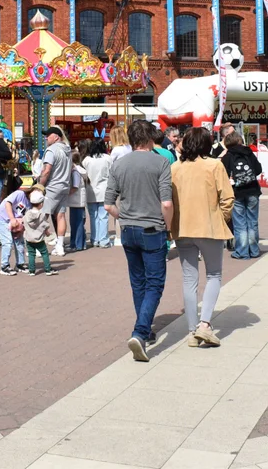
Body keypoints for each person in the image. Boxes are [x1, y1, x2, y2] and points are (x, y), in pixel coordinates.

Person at [106, 119, 174, 362]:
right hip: (152, 228)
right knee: (155, 283)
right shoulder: (161, 162)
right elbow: (166, 202)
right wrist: (168, 227)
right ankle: (140, 332)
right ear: (149, 139)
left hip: (128, 229)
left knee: (138, 282)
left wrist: (122, 216)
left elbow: (107, 203)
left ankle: (144, 328)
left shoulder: (119, 164)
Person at [170, 127, 234, 348]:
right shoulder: (214, 165)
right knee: (214, 274)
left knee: (189, 279)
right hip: (209, 226)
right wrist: (221, 217)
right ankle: (205, 324)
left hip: (183, 228)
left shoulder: (175, 168)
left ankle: (191, 329)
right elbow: (227, 198)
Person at [220, 131, 262, 259]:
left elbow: (223, 176)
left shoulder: (227, 157)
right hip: (253, 190)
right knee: (252, 221)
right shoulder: (249, 153)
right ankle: (254, 250)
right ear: (239, 140)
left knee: (240, 223)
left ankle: (242, 251)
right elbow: (258, 170)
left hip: (236, 192)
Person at [39, 126, 73, 257]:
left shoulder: (51, 150)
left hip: (52, 186)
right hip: (64, 185)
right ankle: (60, 246)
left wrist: (40, 186)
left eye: (48, 135)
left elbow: (47, 170)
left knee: (42, 216)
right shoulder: (67, 150)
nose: (46, 137)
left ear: (56, 137)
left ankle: (38, 247)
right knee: (61, 215)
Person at [0, 173, 30, 275]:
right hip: (2, 218)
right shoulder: (20, 194)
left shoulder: (32, 205)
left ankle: (20, 264)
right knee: (7, 242)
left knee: (19, 242)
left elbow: (26, 219)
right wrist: (12, 219)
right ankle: (4, 266)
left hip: (16, 223)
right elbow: (8, 203)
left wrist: (20, 230)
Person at [83, 139, 113, 249]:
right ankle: (104, 240)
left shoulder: (87, 160)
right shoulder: (107, 158)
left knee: (93, 216)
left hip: (90, 190)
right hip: (104, 189)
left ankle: (94, 239)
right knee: (103, 216)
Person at [23, 190, 57, 276]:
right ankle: (48, 269)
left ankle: (31, 271)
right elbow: (44, 225)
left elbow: (24, 223)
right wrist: (47, 233)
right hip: (39, 239)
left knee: (31, 254)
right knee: (44, 253)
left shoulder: (27, 214)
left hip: (29, 238)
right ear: (41, 204)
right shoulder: (41, 215)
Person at [68, 144, 89, 251]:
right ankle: (78, 243)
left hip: (76, 200)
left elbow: (75, 186)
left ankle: (77, 244)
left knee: (76, 224)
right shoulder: (80, 170)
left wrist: (66, 193)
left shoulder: (75, 171)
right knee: (78, 223)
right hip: (78, 200)